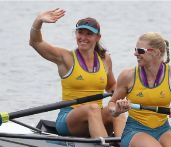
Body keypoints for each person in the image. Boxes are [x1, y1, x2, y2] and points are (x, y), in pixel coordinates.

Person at [29, 8, 125, 138]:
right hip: (69, 120)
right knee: (93, 108)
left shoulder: (105, 59)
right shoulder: (66, 58)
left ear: (97, 37)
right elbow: (35, 42)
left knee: (116, 111)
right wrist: (38, 20)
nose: (83, 38)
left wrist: (120, 99)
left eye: (89, 34)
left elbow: (112, 85)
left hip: (96, 117)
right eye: (80, 33)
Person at [108, 32, 171, 147]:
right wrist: (117, 110)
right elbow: (111, 104)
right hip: (135, 131)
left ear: (156, 53)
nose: (135, 53)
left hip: (163, 129)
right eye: (135, 50)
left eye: (140, 50)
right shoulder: (128, 75)